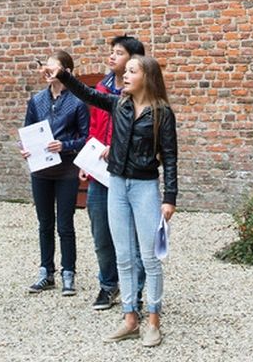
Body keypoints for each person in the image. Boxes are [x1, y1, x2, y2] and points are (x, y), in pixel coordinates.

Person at [56, 54, 177, 348]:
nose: (125, 75)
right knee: (123, 255)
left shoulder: (162, 113)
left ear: (146, 77)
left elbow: (171, 157)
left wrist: (170, 197)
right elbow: (87, 93)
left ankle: (153, 321)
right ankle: (129, 318)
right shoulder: (118, 103)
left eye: (132, 71)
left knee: (150, 258)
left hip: (145, 187)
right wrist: (63, 74)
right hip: (117, 185)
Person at [80, 35, 147, 310]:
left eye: (118, 53)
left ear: (133, 60)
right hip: (99, 171)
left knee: (134, 235)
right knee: (101, 232)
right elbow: (93, 128)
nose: (111, 57)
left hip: (128, 173)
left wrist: (115, 147)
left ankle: (137, 290)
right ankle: (108, 284)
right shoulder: (101, 88)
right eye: (111, 52)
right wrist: (86, 161)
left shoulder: (140, 94)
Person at [20, 50, 89, 296]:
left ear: (66, 72)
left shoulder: (79, 102)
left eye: (53, 67)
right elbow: (27, 132)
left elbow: (85, 138)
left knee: (65, 224)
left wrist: (65, 145)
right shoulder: (36, 100)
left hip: (66, 170)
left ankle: (68, 272)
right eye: (46, 67)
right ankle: (45, 272)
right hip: (40, 170)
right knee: (44, 223)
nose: (48, 71)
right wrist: (24, 149)